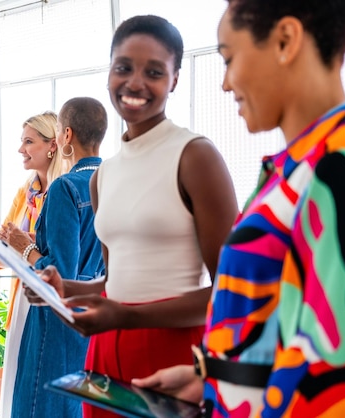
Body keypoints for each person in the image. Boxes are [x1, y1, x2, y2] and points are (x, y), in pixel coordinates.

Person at [134, 1, 345, 416]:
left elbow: (332, 371)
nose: (226, 84)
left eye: (230, 59)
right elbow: (282, 329)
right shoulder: (295, 168)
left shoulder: (336, 166)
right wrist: (211, 375)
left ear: (286, 40)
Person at [31, 16, 238, 418]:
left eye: (155, 71)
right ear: (108, 72)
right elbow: (116, 283)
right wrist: (65, 287)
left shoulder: (195, 156)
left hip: (174, 355)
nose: (135, 82)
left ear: (175, 79)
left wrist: (127, 315)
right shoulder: (103, 175)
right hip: (106, 351)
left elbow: (232, 291)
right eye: (123, 67)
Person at [0, 97, 108, 418]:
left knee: (40, 406)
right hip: (98, 312)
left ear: (66, 136)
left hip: (56, 316)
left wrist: (25, 246)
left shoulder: (65, 187)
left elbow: (60, 272)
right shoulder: (112, 181)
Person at [0, 111, 69, 418]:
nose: (21, 149)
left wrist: (26, 242)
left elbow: (60, 255)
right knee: (18, 385)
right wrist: (1, 247)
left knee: (43, 388)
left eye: (28, 141)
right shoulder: (25, 192)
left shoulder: (67, 191)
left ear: (53, 146)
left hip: (51, 297)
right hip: (22, 297)